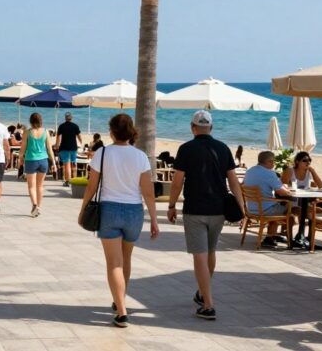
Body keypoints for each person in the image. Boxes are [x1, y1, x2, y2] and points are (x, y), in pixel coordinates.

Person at [79, 113, 160, 328]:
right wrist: (154, 219)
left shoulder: (102, 153)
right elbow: (148, 192)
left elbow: (91, 186)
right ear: (131, 132)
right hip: (134, 211)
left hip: (109, 210)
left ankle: (121, 311)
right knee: (126, 259)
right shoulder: (140, 156)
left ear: (112, 131)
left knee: (114, 263)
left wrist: (82, 209)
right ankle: (120, 300)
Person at [166, 110, 243, 321]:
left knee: (199, 256)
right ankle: (202, 293)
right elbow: (234, 182)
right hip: (218, 210)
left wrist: (171, 205)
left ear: (192, 128)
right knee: (210, 252)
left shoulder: (186, 149)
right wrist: (241, 208)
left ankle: (208, 305)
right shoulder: (223, 148)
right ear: (211, 128)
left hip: (194, 210)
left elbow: (177, 181)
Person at [242, 150, 294, 248]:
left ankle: (272, 235)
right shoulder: (269, 173)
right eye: (273, 161)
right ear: (269, 162)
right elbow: (281, 192)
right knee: (291, 211)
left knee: (278, 206)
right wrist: (287, 188)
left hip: (251, 209)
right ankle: (280, 239)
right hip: (265, 210)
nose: (274, 163)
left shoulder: (250, 171)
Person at [281, 151, 322, 248]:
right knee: (307, 214)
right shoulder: (290, 171)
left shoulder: (309, 172)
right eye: (304, 160)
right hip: (290, 201)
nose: (307, 163)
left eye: (309, 160)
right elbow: (282, 186)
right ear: (297, 162)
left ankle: (307, 239)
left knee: (319, 212)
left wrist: (313, 171)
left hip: (302, 201)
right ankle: (300, 238)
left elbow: (321, 185)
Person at [17, 112, 56, 217]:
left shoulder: (27, 132)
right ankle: (38, 207)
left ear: (30, 121)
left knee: (31, 186)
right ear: (40, 121)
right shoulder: (46, 132)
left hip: (31, 160)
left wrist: (20, 159)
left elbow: (23, 148)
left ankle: (34, 205)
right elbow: (49, 149)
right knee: (40, 186)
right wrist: (54, 163)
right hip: (43, 161)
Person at [54, 112, 82, 187]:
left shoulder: (61, 126)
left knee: (67, 165)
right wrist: (81, 143)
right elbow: (79, 137)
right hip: (73, 147)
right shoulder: (75, 126)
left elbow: (58, 137)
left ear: (65, 118)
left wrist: (57, 145)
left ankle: (67, 181)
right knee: (74, 164)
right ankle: (75, 181)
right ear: (71, 118)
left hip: (64, 148)